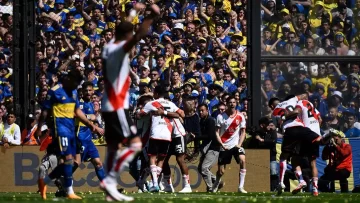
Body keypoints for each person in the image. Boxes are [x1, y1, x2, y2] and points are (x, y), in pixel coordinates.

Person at [99, 3, 160, 201]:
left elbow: (124, 28)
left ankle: (110, 190)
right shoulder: (119, 49)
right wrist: (151, 17)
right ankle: (109, 181)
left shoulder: (109, 46)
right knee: (134, 144)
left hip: (109, 103)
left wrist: (133, 12)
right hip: (118, 105)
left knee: (114, 147)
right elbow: (138, 35)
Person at [37, 70, 100, 200]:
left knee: (73, 161)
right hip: (60, 130)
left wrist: (91, 125)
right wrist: (39, 127)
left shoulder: (74, 92)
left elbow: (77, 112)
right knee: (68, 159)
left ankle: (45, 181)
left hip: (72, 131)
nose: (76, 85)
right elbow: (44, 112)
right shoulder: (54, 91)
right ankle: (69, 191)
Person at [268, 95, 333, 196]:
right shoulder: (310, 105)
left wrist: (284, 117)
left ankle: (292, 182)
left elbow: (295, 113)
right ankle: (315, 189)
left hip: (296, 130)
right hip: (309, 131)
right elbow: (320, 119)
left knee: (290, 159)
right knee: (313, 162)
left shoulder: (296, 105)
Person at [137, 86, 184, 193]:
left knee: (152, 158)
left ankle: (154, 184)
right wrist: (166, 113)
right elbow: (181, 114)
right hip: (167, 136)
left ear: (157, 93)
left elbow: (140, 115)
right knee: (161, 160)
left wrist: (138, 112)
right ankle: (150, 183)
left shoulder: (152, 103)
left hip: (155, 134)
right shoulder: (171, 104)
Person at [213, 96, 247, 193]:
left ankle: (240, 187)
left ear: (236, 104)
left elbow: (243, 132)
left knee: (242, 160)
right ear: (227, 104)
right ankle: (216, 184)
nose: (232, 104)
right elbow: (216, 132)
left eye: (234, 102)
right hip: (224, 145)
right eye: (230, 102)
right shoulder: (220, 116)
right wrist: (222, 144)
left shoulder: (240, 116)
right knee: (221, 171)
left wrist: (240, 144)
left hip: (236, 145)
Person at [76, 82, 105, 181]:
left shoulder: (91, 104)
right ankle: (62, 180)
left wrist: (96, 128)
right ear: (82, 92)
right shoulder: (80, 103)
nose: (88, 92)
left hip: (88, 139)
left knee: (98, 162)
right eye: (85, 91)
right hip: (80, 137)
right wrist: (91, 118)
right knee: (76, 163)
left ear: (93, 91)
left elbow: (90, 121)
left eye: (89, 90)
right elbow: (77, 116)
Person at [198, 103, 222, 192]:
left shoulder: (211, 120)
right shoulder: (202, 121)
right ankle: (217, 182)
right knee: (200, 168)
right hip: (207, 148)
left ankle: (211, 188)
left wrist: (197, 137)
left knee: (204, 168)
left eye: (202, 110)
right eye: (199, 111)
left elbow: (210, 136)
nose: (200, 112)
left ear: (207, 111)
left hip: (213, 148)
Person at [249, 117, 278, 191]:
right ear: (262, 125)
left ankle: (274, 189)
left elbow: (273, 141)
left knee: (273, 173)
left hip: (271, 155)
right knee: (260, 174)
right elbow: (256, 143)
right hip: (261, 156)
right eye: (268, 124)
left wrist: (262, 140)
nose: (270, 126)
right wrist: (261, 141)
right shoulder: (257, 133)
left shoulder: (272, 132)